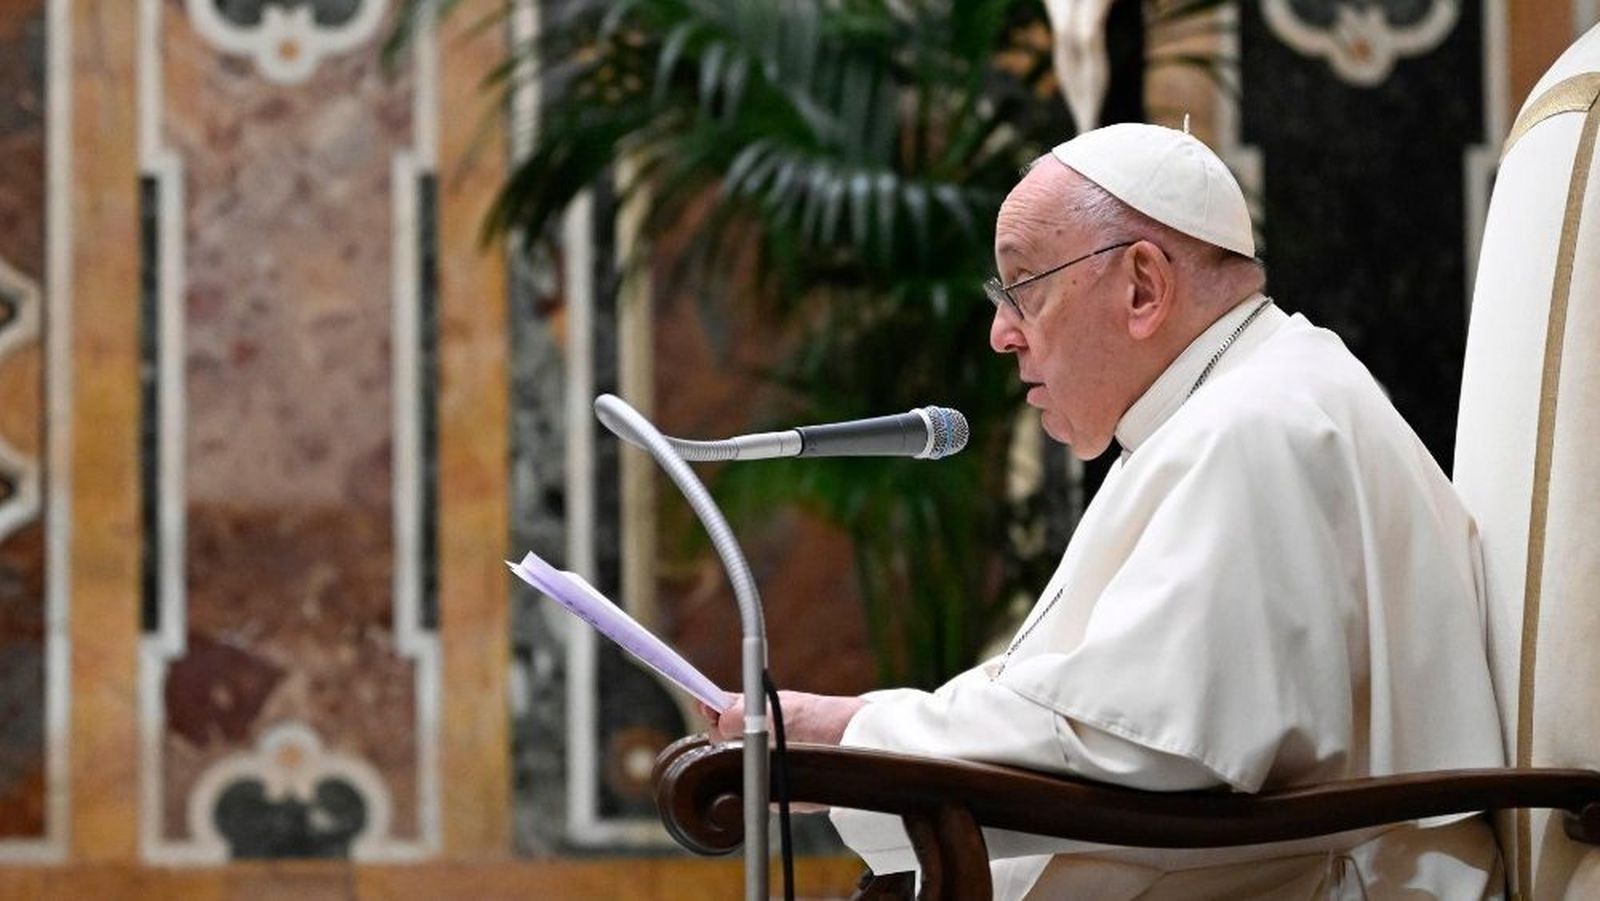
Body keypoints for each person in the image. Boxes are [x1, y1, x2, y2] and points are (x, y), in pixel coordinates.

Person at [704, 123, 1506, 899]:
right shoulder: (1222, 408)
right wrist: (848, 728)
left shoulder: (1258, 427)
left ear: (1144, 286)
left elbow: (1137, 743)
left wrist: (850, 743)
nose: (999, 334)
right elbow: (1111, 704)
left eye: (1021, 287)